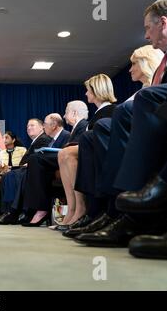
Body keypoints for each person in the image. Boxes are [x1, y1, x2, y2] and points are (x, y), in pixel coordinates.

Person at [74, 0, 167, 249]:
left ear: (163, 22)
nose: (145, 34)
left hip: (165, 113)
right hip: (166, 114)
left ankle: (129, 211)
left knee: (142, 99)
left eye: (148, 28)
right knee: (105, 126)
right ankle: (115, 209)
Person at [63, 45, 163, 239]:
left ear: (146, 63)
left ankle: (106, 209)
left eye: (134, 64)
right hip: (131, 136)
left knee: (95, 133)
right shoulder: (141, 91)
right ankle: (97, 210)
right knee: (89, 137)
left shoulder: (152, 90)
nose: (129, 68)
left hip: (144, 139)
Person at [55, 74, 116, 230]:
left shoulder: (111, 110)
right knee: (64, 154)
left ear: (97, 91)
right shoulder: (99, 112)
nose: (86, 93)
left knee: (66, 153)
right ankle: (72, 209)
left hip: (104, 153)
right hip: (92, 150)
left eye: (88, 90)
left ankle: (80, 208)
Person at [0, 118, 51, 224]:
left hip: (36, 171)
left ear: (42, 127)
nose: (29, 128)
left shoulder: (44, 139)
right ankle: (8, 211)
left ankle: (12, 212)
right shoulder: (36, 141)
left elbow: (40, 158)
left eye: (32, 125)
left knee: (10, 176)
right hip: (25, 169)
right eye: (28, 126)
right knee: (7, 176)